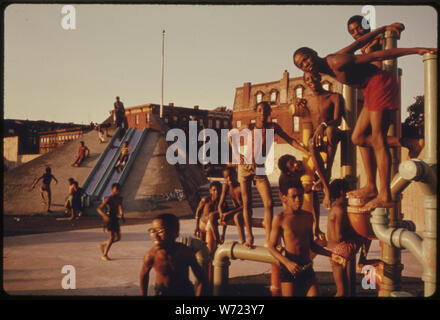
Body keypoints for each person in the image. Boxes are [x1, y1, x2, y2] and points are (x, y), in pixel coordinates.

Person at [293, 24, 436, 210]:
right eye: (301, 65)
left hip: (380, 84)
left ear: (313, 53)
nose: (306, 64)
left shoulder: (335, 62)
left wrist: (417, 50)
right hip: (370, 89)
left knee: (377, 139)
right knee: (357, 138)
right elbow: (358, 43)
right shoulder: (330, 60)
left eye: (306, 59)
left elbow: (376, 56)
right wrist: (383, 28)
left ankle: (384, 194)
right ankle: (399, 153)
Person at [230, 101, 311, 248]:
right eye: (260, 110)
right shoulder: (249, 127)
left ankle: (269, 239)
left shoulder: (273, 128)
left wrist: (304, 150)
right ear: (256, 112)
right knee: (247, 203)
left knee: (269, 203)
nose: (262, 113)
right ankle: (250, 237)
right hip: (244, 167)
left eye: (265, 111)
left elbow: (290, 139)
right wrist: (236, 153)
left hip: (259, 168)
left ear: (269, 113)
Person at [267, 179, 341, 297]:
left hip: (306, 267)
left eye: (300, 196)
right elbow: (271, 247)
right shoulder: (280, 219)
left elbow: (312, 245)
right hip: (289, 269)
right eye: (294, 196)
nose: (298, 199)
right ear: (284, 197)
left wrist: (331, 255)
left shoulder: (308, 216)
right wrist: (287, 263)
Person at [296, 71, 344, 210]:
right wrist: (297, 103)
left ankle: (327, 175)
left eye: (314, 77)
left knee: (329, 131)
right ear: (305, 82)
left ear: (320, 77)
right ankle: (326, 186)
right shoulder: (308, 100)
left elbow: (338, 120)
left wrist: (323, 125)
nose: (311, 81)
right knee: (311, 143)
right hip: (316, 139)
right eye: (308, 79)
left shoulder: (334, 97)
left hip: (332, 132)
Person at [140, 213, 207, 296]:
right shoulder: (151, 255)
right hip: (162, 292)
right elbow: (143, 276)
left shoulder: (184, 252)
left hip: (184, 292)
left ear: (175, 232)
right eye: (153, 231)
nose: (155, 235)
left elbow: (202, 279)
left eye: (160, 231)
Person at [327, 179, 362, 297]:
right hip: (341, 249)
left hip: (334, 252)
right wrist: (355, 232)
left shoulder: (335, 206)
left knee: (343, 291)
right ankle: (363, 259)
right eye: (349, 190)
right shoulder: (340, 209)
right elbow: (338, 236)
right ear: (342, 192)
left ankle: (363, 259)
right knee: (341, 292)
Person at [277, 154, 323, 238]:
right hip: (289, 201)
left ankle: (316, 227)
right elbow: (292, 194)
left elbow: (316, 177)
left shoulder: (302, 166)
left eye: (294, 160)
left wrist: (320, 181)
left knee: (313, 195)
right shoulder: (284, 179)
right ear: (288, 171)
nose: (296, 164)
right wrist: (309, 187)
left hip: (304, 193)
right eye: (292, 164)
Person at [194, 181, 224, 255]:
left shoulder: (222, 203)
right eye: (214, 190)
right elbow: (197, 212)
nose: (216, 192)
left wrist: (223, 233)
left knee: (210, 251)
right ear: (210, 191)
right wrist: (196, 227)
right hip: (201, 225)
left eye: (218, 190)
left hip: (210, 227)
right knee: (200, 252)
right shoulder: (205, 200)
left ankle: (211, 265)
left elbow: (224, 219)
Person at [97, 183, 125, 261]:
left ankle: (103, 244)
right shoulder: (109, 198)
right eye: (116, 190)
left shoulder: (119, 198)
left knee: (118, 238)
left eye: (119, 190)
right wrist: (104, 216)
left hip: (115, 218)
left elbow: (120, 207)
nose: (117, 192)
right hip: (109, 218)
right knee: (112, 237)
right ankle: (104, 255)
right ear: (112, 190)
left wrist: (122, 215)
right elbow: (99, 209)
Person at [217, 167, 245, 244]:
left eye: (230, 176)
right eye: (226, 177)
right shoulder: (226, 187)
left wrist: (229, 213)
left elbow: (246, 206)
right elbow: (220, 205)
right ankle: (219, 239)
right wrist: (221, 214)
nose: (229, 179)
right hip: (235, 210)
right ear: (224, 178)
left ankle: (243, 241)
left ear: (235, 175)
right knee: (212, 216)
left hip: (244, 211)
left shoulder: (240, 187)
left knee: (236, 217)